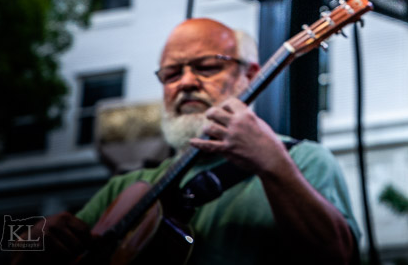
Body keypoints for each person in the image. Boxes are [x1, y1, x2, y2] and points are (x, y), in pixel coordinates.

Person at [27, 18, 359, 264]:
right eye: (171, 74)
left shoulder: (304, 160)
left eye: (206, 67)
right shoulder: (126, 187)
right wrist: (30, 239)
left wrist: (273, 164)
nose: (186, 82)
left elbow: (342, 258)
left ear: (250, 75)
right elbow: (10, 251)